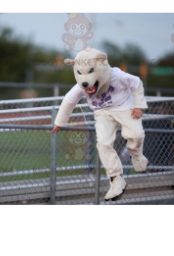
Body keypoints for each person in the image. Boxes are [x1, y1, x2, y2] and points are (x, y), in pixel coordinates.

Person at [51, 48, 149, 202]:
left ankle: (136, 155)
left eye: (90, 72)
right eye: (81, 74)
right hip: (102, 112)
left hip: (125, 107)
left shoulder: (117, 75)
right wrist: (59, 122)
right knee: (102, 143)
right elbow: (69, 101)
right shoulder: (82, 86)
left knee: (135, 135)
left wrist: (138, 105)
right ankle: (116, 180)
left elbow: (136, 83)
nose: (85, 81)